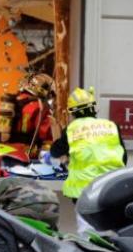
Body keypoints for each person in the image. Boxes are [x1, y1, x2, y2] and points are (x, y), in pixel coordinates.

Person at [49, 86, 126, 233]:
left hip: (86, 192)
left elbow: (55, 151)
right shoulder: (111, 126)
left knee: (87, 234)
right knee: (110, 231)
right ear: (94, 108)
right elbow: (123, 157)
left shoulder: (72, 129)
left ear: (72, 112)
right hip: (111, 187)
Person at [0, 73, 61, 158]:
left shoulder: (12, 101)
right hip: (24, 152)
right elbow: (47, 134)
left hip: (2, 150)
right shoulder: (40, 107)